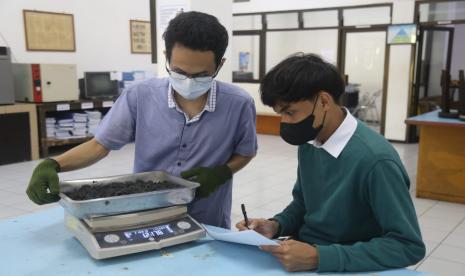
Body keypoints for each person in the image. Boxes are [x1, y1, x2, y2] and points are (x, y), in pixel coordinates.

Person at [26, 11, 257, 229]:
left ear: (220, 65)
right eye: (179, 72)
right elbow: (100, 145)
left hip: (207, 215)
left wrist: (222, 173)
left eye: (201, 75)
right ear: (166, 57)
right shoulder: (140, 96)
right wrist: (54, 164)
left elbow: (246, 151)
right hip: (147, 212)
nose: (188, 81)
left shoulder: (238, 104)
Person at [236, 53, 425, 272]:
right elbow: (304, 204)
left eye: (290, 112)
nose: (285, 123)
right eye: (280, 114)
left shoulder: (375, 160)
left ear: (324, 101)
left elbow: (407, 245)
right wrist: (275, 225)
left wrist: (320, 257)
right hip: (307, 253)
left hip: (346, 263)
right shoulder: (311, 140)